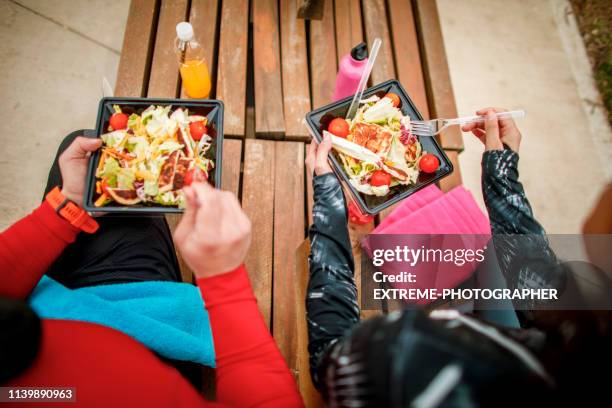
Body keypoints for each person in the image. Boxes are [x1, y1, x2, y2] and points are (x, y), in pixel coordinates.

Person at [305, 109, 612, 407]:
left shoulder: (415, 352)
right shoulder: (586, 327)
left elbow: (329, 353)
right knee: (489, 255)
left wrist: (329, 201)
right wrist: (501, 172)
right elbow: (538, 282)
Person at [0, 131, 303, 407]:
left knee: (84, 144)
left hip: (64, 305)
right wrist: (224, 278)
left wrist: (67, 207)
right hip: (152, 340)